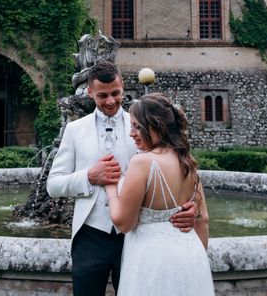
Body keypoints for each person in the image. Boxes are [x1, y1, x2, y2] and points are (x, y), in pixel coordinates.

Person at [46, 61, 198, 296]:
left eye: (116, 93)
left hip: (136, 234)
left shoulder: (144, 126)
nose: (110, 101)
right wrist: (89, 176)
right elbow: (53, 185)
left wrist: (189, 206)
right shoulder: (75, 129)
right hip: (90, 233)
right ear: (89, 93)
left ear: (123, 86)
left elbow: (176, 167)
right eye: (102, 95)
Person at [105, 93, 214, 296]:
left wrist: (110, 189)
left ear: (157, 125)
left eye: (138, 126)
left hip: (152, 260)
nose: (132, 133)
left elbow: (123, 223)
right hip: (192, 256)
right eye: (131, 126)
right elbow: (203, 219)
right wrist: (197, 260)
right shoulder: (187, 162)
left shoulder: (143, 162)